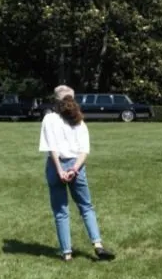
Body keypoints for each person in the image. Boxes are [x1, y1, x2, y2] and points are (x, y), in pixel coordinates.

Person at [39, 85, 115, 262]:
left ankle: (67, 254)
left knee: (61, 211)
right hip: (77, 166)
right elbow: (84, 151)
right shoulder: (80, 121)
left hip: (55, 166)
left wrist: (60, 170)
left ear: (56, 101)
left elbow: (52, 149)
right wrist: (74, 169)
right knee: (86, 206)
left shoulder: (49, 119)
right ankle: (98, 245)